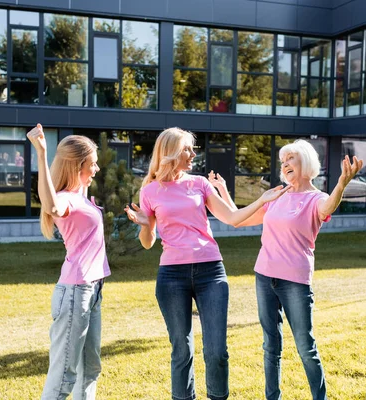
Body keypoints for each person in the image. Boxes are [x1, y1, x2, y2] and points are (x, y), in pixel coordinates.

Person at [124, 127, 290, 400]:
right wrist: (144, 225)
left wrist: (262, 199)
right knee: (181, 350)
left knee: (216, 351)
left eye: (192, 148)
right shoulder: (151, 190)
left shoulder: (199, 183)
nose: (193, 154)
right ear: (171, 153)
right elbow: (147, 241)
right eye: (187, 149)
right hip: (171, 276)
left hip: (210, 271)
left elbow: (232, 218)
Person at [215, 139, 363, 400]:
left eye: (290, 159)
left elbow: (328, 207)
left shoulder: (315, 199)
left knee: (305, 347)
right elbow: (238, 219)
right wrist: (224, 191)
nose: (284, 165)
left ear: (305, 162)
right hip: (264, 276)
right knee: (271, 345)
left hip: (294, 281)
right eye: (282, 161)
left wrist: (341, 183)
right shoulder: (276, 195)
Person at [27, 124, 110, 400]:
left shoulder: (80, 197)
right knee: (64, 375)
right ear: (77, 165)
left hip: (92, 290)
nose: (96, 170)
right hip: (76, 291)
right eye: (92, 164)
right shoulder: (64, 199)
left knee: (89, 370)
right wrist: (42, 154)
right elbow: (51, 206)